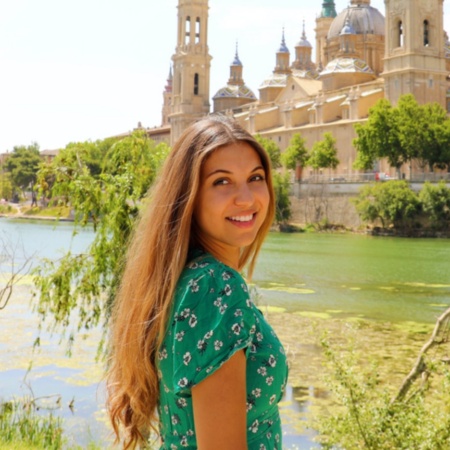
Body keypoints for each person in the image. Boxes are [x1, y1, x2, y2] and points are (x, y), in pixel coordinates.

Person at [106, 116, 288, 449]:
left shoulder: (189, 278)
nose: (246, 198)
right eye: (222, 182)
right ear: (188, 195)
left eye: (255, 177)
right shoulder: (216, 288)